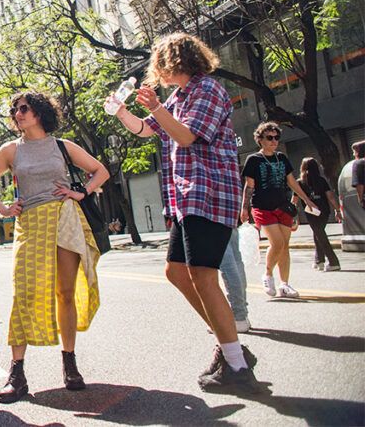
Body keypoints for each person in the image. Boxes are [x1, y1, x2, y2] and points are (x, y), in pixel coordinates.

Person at [111, 32, 259, 391]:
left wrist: (156, 108)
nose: (155, 69)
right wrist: (121, 112)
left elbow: (188, 136)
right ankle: (232, 348)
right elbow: (147, 131)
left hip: (209, 194)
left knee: (203, 276)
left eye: (158, 61)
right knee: (176, 272)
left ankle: (237, 365)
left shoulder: (207, 89)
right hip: (186, 199)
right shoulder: (178, 97)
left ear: (174, 60)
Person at [0, 91, 109, 403]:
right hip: (31, 224)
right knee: (23, 294)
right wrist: (4, 208)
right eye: (15, 109)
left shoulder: (61, 146)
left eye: (24, 108)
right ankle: (17, 373)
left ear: (39, 112)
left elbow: (101, 170)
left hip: (64, 219)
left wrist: (82, 192)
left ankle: (70, 364)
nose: (18, 113)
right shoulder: (10, 150)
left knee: (65, 292)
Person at [241, 122, 317, 298]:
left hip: (283, 206)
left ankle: (284, 285)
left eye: (276, 137)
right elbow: (249, 186)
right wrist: (244, 208)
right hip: (262, 207)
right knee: (277, 243)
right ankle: (267, 275)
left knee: (285, 246)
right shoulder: (253, 159)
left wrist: (307, 200)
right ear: (260, 139)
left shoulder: (281, 157)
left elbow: (292, 182)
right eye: (269, 137)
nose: (274, 141)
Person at [298, 157, 342, 271]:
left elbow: (294, 200)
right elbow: (330, 197)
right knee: (318, 233)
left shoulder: (300, 182)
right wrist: (337, 210)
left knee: (320, 235)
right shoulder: (321, 180)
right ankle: (319, 261)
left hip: (310, 212)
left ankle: (333, 262)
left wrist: (294, 216)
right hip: (324, 211)